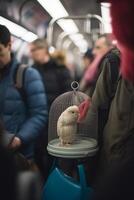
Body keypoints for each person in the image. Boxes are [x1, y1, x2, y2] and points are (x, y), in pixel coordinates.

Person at [0, 25, 48, 168]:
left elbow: (40, 114)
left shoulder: (27, 75)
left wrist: (19, 139)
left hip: (20, 155)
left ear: (9, 45)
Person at [29, 39, 72, 110]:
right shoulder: (31, 71)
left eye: (34, 50)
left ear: (44, 49)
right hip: (37, 112)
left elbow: (68, 93)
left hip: (56, 112)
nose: (32, 53)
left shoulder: (59, 68)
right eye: (31, 51)